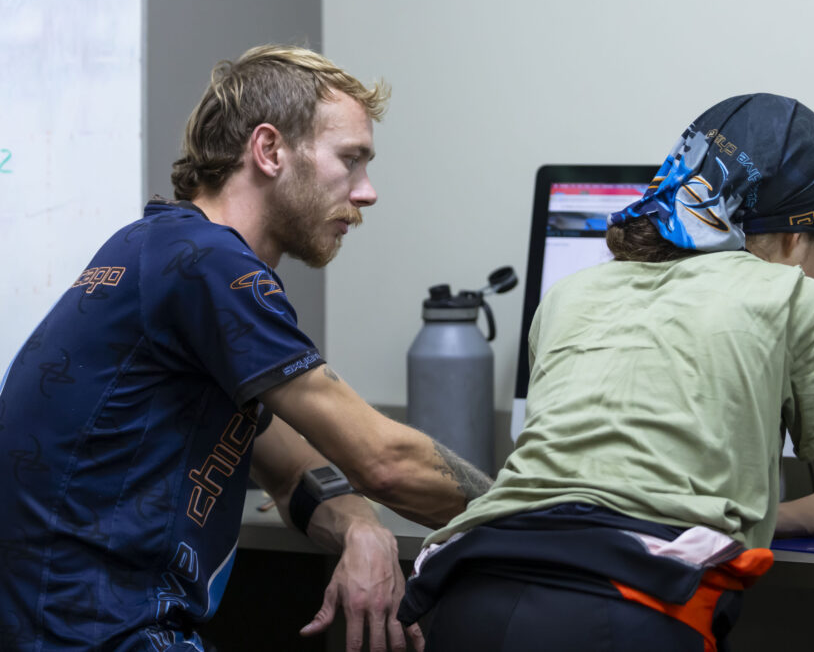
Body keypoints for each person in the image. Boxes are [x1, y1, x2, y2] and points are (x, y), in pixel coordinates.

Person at [397, 93, 814, 651]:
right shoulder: (796, 298)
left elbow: (604, 491)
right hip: (617, 616)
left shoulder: (569, 293)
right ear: (795, 238)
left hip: (470, 596)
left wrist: (788, 514)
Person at [0, 45, 491, 652]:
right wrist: (540, 516)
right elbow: (382, 461)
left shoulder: (157, 248)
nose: (367, 193)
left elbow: (291, 471)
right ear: (269, 150)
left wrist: (362, 526)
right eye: (350, 160)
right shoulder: (210, 265)